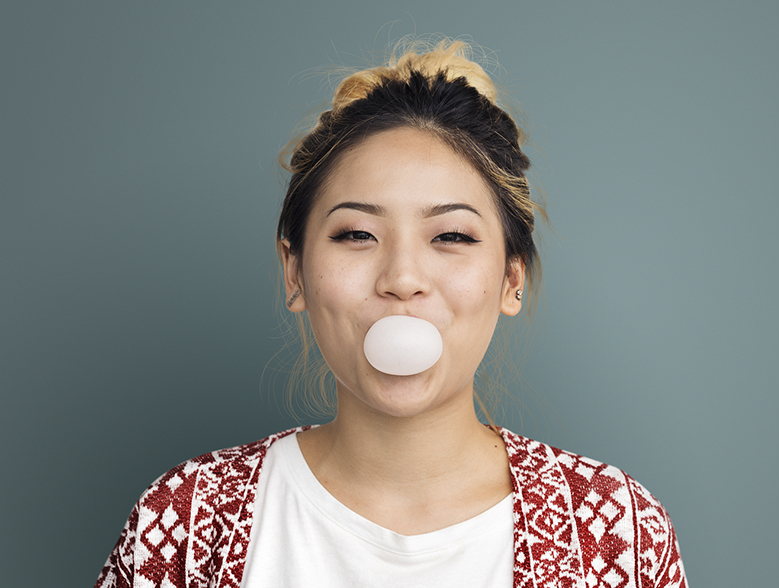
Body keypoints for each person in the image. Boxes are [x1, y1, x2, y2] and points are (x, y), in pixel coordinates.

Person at [95, 39, 688, 588]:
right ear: (294, 272)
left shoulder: (616, 536)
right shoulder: (183, 523)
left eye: (452, 235)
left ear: (511, 279)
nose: (403, 278)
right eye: (356, 233)